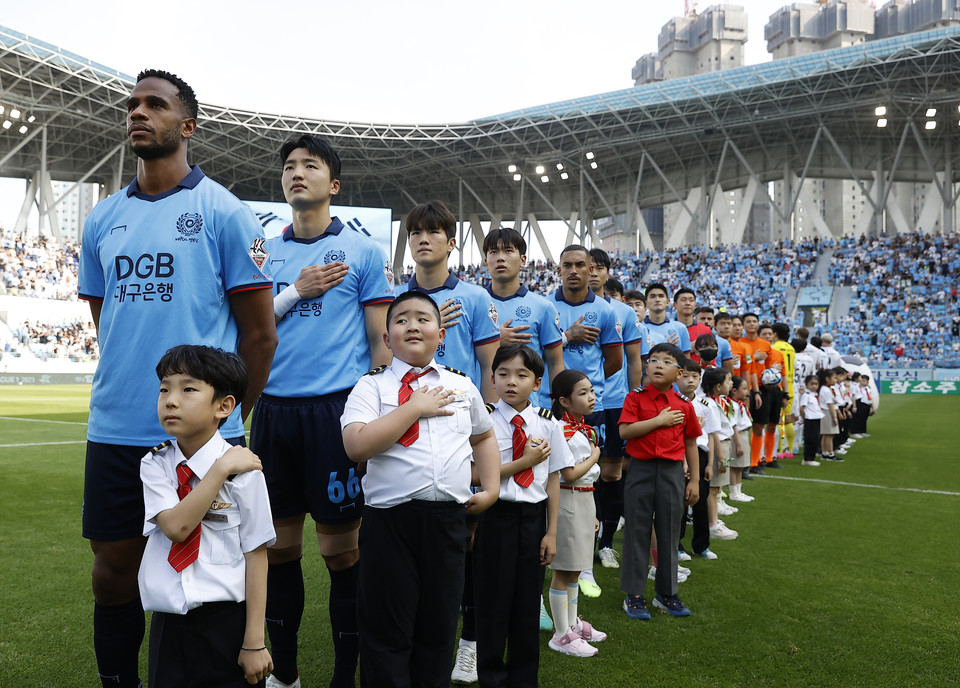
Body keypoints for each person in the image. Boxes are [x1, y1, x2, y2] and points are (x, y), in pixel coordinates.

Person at [78, 69, 277, 688]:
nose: (138, 113)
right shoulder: (102, 219)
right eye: (133, 104)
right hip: (117, 425)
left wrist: (225, 420)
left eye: (155, 105)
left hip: (202, 438)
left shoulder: (225, 212)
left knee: (213, 567)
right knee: (114, 570)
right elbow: (106, 319)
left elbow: (260, 336)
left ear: (187, 125)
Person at [251, 135, 395, 688]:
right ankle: (284, 675)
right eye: (289, 166)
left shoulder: (362, 252)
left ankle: (342, 676)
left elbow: (379, 343)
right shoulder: (263, 251)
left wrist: (374, 416)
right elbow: (249, 328)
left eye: (309, 165)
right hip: (274, 415)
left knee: (341, 554)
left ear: (333, 184)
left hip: (335, 415)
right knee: (279, 551)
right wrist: (295, 289)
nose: (297, 173)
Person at [340, 291, 501, 688]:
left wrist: (492, 487)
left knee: (438, 627)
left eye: (423, 319)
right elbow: (356, 445)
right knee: (386, 629)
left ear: (441, 335)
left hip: (447, 521)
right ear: (386, 338)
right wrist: (412, 407)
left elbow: (483, 436)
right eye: (401, 320)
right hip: (389, 523)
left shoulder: (461, 385)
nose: (412, 325)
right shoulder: (371, 387)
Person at [140, 345, 276, 688]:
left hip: (227, 622)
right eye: (164, 389)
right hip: (169, 623)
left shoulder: (246, 472)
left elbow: (256, 555)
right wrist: (220, 469)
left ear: (223, 406)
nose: (171, 401)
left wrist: (254, 641)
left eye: (188, 389)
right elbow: (177, 527)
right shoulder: (155, 465)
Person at [474, 344, 575, 686]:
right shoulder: (483, 421)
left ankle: (523, 678)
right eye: (503, 374)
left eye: (521, 375)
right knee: (492, 603)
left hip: (533, 519)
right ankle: (490, 677)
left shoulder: (548, 424)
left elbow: (553, 478)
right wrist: (523, 462)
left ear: (537, 383)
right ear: (492, 379)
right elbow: (474, 475)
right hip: (495, 516)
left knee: (526, 605)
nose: (511, 382)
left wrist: (551, 532)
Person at [550, 244, 622, 597]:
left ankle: (585, 564)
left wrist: (585, 389)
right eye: (568, 265)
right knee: (551, 480)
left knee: (592, 479)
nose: (575, 270)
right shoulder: (546, 306)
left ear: (591, 268)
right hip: (551, 407)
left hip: (591, 410)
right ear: (559, 270)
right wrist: (568, 337)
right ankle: (553, 559)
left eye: (581, 264)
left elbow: (615, 360)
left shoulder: (605, 311)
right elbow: (536, 352)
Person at [619, 343, 700, 619]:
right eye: (653, 360)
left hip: (671, 472)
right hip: (640, 470)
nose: (657, 365)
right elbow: (625, 432)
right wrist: (658, 421)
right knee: (637, 531)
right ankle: (634, 594)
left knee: (669, 532)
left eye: (666, 362)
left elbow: (691, 443)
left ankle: (667, 594)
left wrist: (695, 481)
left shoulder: (684, 405)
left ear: (679, 373)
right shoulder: (635, 398)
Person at [404, 201, 499, 401]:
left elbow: (490, 366)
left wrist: (488, 413)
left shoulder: (477, 298)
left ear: (451, 243)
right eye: (416, 233)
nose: (423, 240)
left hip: (459, 408)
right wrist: (428, 322)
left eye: (433, 232)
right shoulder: (394, 298)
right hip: (403, 408)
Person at [588, 249, 643, 574]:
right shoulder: (556, 307)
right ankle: (580, 543)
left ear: (607, 272)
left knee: (610, 474)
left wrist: (634, 400)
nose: (592, 272)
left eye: (599, 267)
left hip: (613, 403)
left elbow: (634, 359)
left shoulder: (623, 312)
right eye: (588, 267)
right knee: (575, 473)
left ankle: (605, 543)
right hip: (574, 404)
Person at [547, 369, 606, 657]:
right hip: (568, 499)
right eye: (583, 393)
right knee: (564, 569)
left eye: (591, 391)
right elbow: (569, 474)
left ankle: (572, 624)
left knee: (575, 569)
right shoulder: (562, 431)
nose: (591, 397)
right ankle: (561, 634)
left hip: (583, 499)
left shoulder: (582, 429)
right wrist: (595, 456)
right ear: (564, 401)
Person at [483, 226, 564, 408]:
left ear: (523, 260)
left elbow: (555, 363)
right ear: (486, 261)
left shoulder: (543, 307)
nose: (500, 258)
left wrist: (558, 406)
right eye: (493, 252)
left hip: (530, 409)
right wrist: (494, 340)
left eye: (508, 251)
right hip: (481, 408)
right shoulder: (472, 304)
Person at [770, 323, 797, 461]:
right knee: (788, 419)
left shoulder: (774, 347)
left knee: (779, 421)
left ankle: (779, 450)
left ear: (775, 333)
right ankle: (790, 449)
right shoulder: (791, 348)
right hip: (790, 386)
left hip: (780, 386)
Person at [643, 284, 691, 353]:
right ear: (646, 303)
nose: (657, 299)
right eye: (652, 296)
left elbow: (686, 358)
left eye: (661, 296)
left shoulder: (680, 328)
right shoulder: (640, 329)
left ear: (667, 302)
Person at [799, 375, 823, 467]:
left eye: (816, 384)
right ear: (806, 384)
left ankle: (811, 457)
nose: (814, 386)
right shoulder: (806, 395)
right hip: (810, 419)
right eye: (812, 384)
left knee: (815, 439)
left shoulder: (815, 395)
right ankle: (808, 459)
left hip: (816, 419)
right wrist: (804, 418)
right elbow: (802, 408)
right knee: (810, 439)